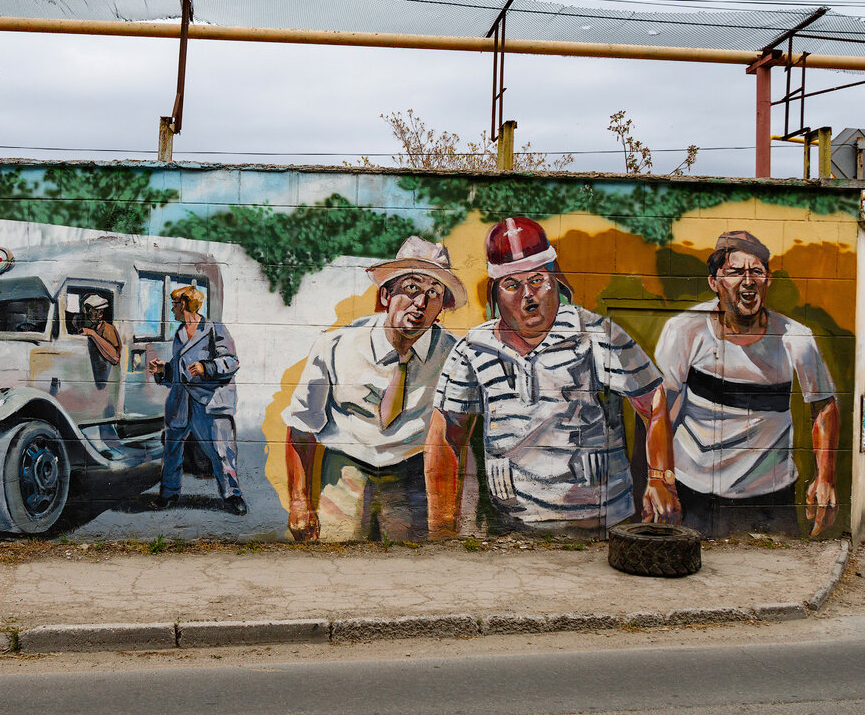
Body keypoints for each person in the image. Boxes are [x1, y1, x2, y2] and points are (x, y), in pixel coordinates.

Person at [425, 216, 679, 538]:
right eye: (512, 285)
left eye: (537, 280)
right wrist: (442, 527)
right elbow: (447, 437)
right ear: (495, 293)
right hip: (512, 530)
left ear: (556, 279)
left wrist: (660, 478)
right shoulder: (472, 350)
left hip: (601, 527)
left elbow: (653, 400)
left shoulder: (597, 334)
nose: (528, 295)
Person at [654, 230, 839, 537]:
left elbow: (824, 406)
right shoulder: (685, 330)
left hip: (772, 497)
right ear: (714, 282)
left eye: (756, 271)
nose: (748, 280)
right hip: (695, 492)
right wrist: (658, 478)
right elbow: (661, 408)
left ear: (768, 280)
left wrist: (826, 477)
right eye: (735, 272)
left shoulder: (796, 338)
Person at [283, 236, 466, 541]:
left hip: (412, 476)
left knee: (408, 569)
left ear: (441, 307)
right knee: (337, 560)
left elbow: (458, 434)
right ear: (385, 295)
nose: (420, 303)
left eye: (434, 293)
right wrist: (299, 502)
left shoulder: (452, 355)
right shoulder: (336, 346)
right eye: (411, 288)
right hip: (344, 473)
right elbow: (302, 426)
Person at [148, 285, 246, 515]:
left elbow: (232, 362)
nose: (172, 309)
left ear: (184, 304)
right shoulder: (180, 333)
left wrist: (207, 367)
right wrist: (163, 371)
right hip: (181, 402)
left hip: (209, 402)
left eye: (174, 304)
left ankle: (232, 496)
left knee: (221, 450)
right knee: (172, 448)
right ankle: (169, 494)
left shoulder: (213, 328)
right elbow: (180, 372)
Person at [79, 294, 121, 365]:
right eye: (96, 312)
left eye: (101, 312)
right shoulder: (84, 325)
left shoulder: (107, 328)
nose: (100, 316)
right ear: (87, 311)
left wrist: (93, 334)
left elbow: (115, 358)